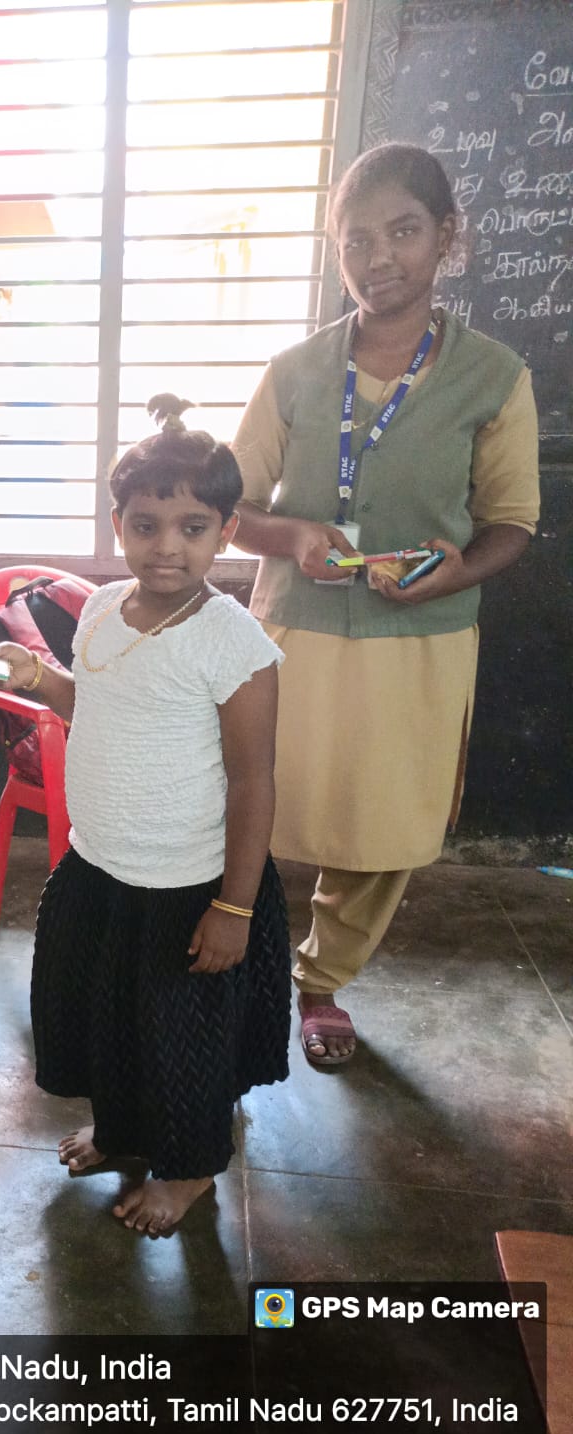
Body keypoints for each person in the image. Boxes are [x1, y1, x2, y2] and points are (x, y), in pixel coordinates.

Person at [230, 143, 540, 1066]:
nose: (379, 259)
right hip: (290, 632)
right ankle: (228, 964)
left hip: (421, 639)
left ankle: (322, 979)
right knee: (255, 803)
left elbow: (512, 522)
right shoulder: (293, 371)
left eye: (403, 232)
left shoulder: (494, 377)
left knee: (385, 830)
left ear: (447, 237)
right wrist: (292, 535)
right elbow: (227, 508)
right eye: (356, 240)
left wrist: (455, 572)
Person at [0, 397, 291, 1237]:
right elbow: (92, 704)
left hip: (190, 883)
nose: (167, 547)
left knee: (184, 1042)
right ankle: (123, 1132)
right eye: (146, 525)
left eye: (193, 528)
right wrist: (38, 678)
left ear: (226, 532)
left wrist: (234, 907)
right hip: (100, 866)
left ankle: (189, 1169)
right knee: (111, 1019)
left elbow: (254, 782)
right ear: (118, 522)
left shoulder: (234, 642)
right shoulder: (101, 606)